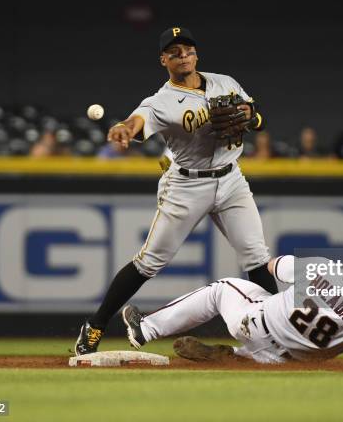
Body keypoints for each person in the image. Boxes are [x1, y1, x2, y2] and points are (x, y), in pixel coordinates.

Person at [75, 27, 278, 355]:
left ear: (196, 55)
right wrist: (124, 129)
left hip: (231, 179)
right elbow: (136, 121)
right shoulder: (160, 101)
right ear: (163, 60)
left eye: (188, 50)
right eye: (175, 52)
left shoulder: (226, 82)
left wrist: (250, 117)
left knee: (256, 256)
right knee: (149, 262)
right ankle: (96, 324)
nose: (183, 55)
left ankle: (279, 333)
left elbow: (259, 119)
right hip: (187, 184)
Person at [121, 232, 343, 369]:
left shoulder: (322, 266)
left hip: (254, 323)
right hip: (283, 359)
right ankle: (235, 358)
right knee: (271, 319)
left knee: (223, 287)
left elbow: (270, 266)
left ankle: (146, 329)